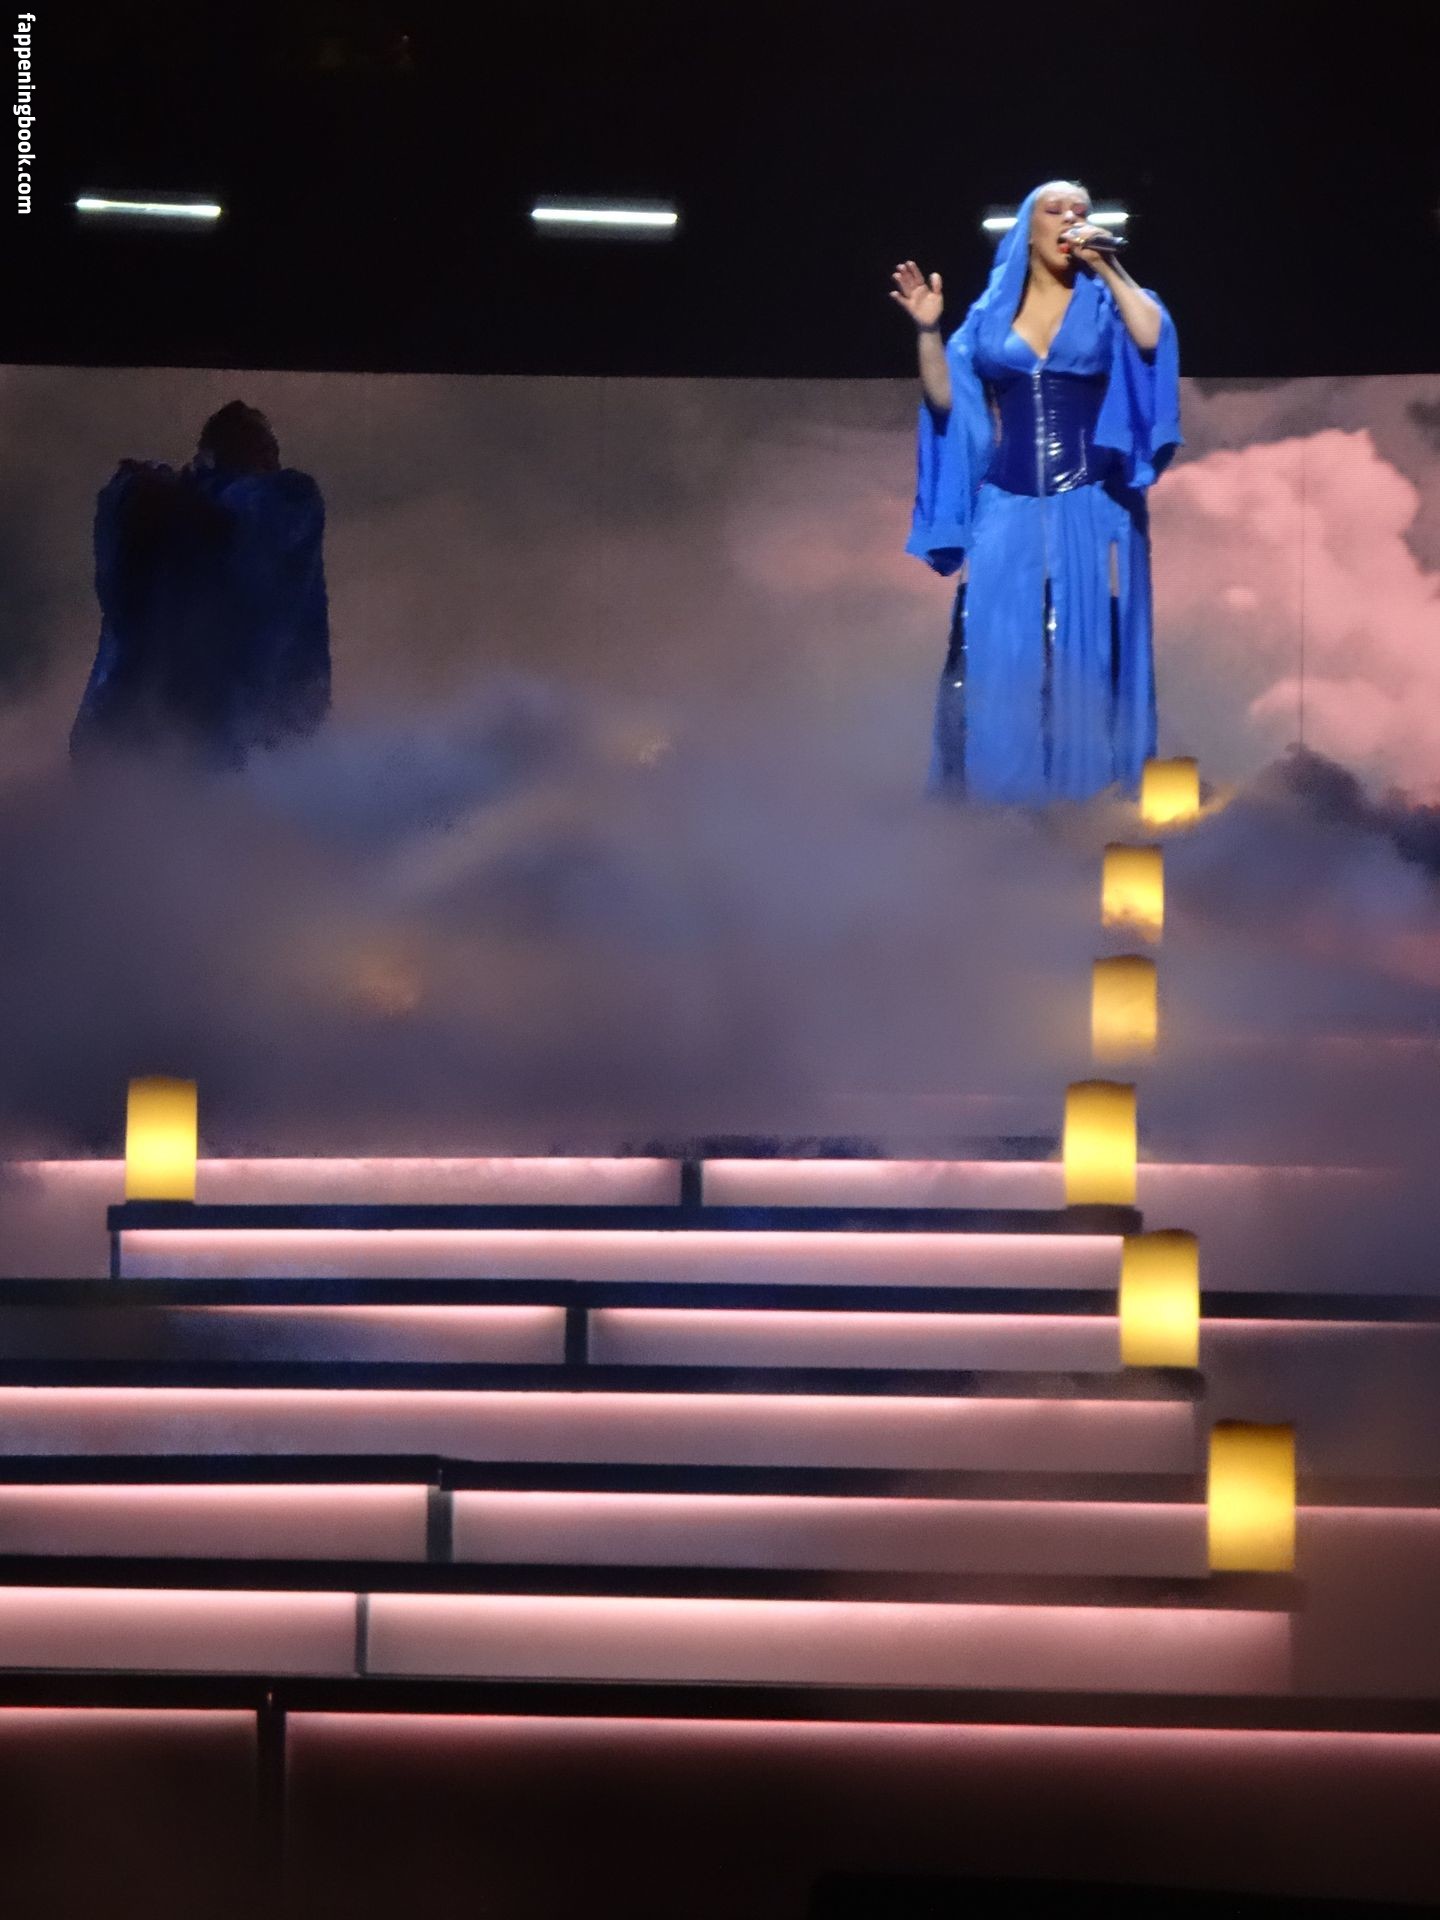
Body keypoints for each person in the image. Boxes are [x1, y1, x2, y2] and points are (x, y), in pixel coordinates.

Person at [892, 180, 1181, 805]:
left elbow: (1151, 337)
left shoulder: (1107, 300)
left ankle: (1091, 801)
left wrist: (1108, 265)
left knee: (1088, 652)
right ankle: (998, 806)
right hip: (1007, 500)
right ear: (1028, 229)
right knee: (991, 648)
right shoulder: (990, 314)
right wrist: (927, 332)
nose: (1071, 218)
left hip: (1095, 499)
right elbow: (948, 401)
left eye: (1081, 210)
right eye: (1056, 210)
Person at [70, 401, 331, 769]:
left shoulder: (289, 497)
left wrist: (172, 499)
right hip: (148, 715)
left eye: (267, 447)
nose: (267, 457)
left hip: (237, 718)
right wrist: (144, 494)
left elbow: (243, 526)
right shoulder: (157, 493)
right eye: (254, 446)